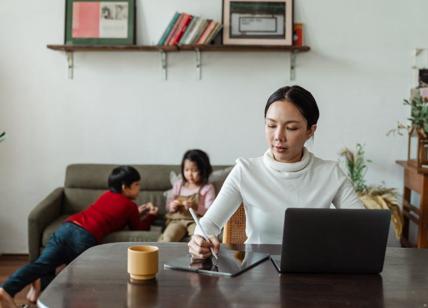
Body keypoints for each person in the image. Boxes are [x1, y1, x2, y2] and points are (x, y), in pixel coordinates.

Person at [188, 85, 364, 259]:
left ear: (311, 130)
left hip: (312, 274)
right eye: (271, 125)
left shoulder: (330, 173)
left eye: (291, 128)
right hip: (257, 275)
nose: (278, 136)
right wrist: (199, 240)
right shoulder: (245, 171)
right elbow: (209, 224)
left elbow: (364, 226)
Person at [0, 165, 158, 308]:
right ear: (125, 187)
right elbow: (138, 227)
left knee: (44, 263)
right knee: (80, 277)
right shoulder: (130, 206)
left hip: (68, 226)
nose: (140, 188)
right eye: (137, 185)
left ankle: (8, 289)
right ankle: (49, 291)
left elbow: (110, 213)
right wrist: (150, 215)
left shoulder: (106, 195)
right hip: (84, 236)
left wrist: (138, 211)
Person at [158, 149, 216, 242]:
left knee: (199, 240)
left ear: (203, 170)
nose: (190, 174)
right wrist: (172, 206)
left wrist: (195, 206)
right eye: (186, 170)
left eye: (195, 170)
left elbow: (210, 212)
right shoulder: (178, 185)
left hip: (196, 221)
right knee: (167, 239)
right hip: (177, 220)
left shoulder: (207, 188)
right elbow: (168, 206)